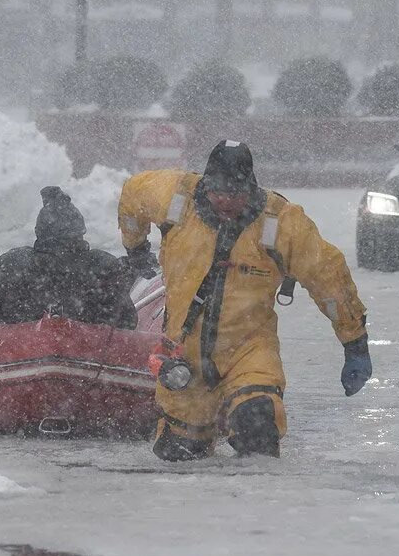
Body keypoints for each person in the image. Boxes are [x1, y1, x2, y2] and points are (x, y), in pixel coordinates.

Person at [118, 140, 371, 461]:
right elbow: (131, 196)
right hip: (185, 357)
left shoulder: (281, 224)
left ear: (250, 187)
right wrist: (135, 246)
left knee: (258, 427)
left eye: (235, 194)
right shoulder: (174, 197)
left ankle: (260, 506)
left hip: (249, 351)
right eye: (217, 192)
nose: (224, 201)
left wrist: (354, 342)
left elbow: (329, 279)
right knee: (180, 453)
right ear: (204, 183)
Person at [0, 186, 137, 328]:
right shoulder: (103, 266)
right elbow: (129, 322)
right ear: (80, 231)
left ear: (39, 231)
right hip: (88, 357)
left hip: (18, 355)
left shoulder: (14, 264)